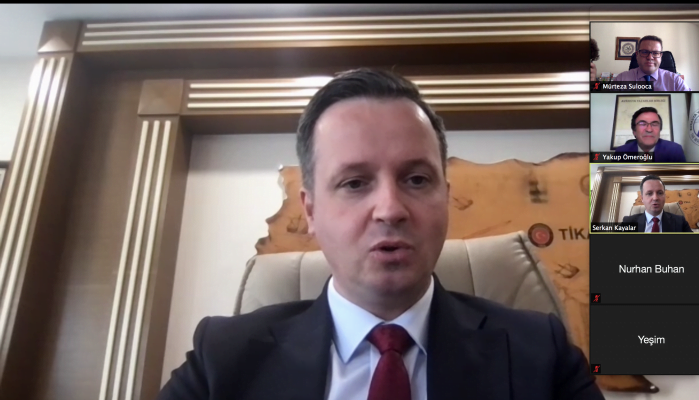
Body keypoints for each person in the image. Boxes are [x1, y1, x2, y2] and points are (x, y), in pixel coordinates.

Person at [157, 69, 605, 400]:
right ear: (311, 211)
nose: (390, 209)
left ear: (446, 198)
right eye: (354, 183)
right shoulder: (223, 358)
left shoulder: (539, 353)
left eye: (416, 180)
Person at [612, 35, 691, 91]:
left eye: (655, 53)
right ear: (637, 55)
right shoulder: (620, 79)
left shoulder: (676, 81)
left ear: (661, 56)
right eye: (644, 52)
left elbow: (690, 104)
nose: (650, 57)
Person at [622, 175, 693, 232]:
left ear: (664, 196)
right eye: (649, 193)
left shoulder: (680, 222)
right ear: (642, 198)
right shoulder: (628, 222)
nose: (655, 198)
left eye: (660, 193)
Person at [614, 107, 687, 162]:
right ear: (634, 131)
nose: (649, 129)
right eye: (642, 124)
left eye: (654, 124)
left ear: (660, 130)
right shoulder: (620, 152)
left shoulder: (675, 151)